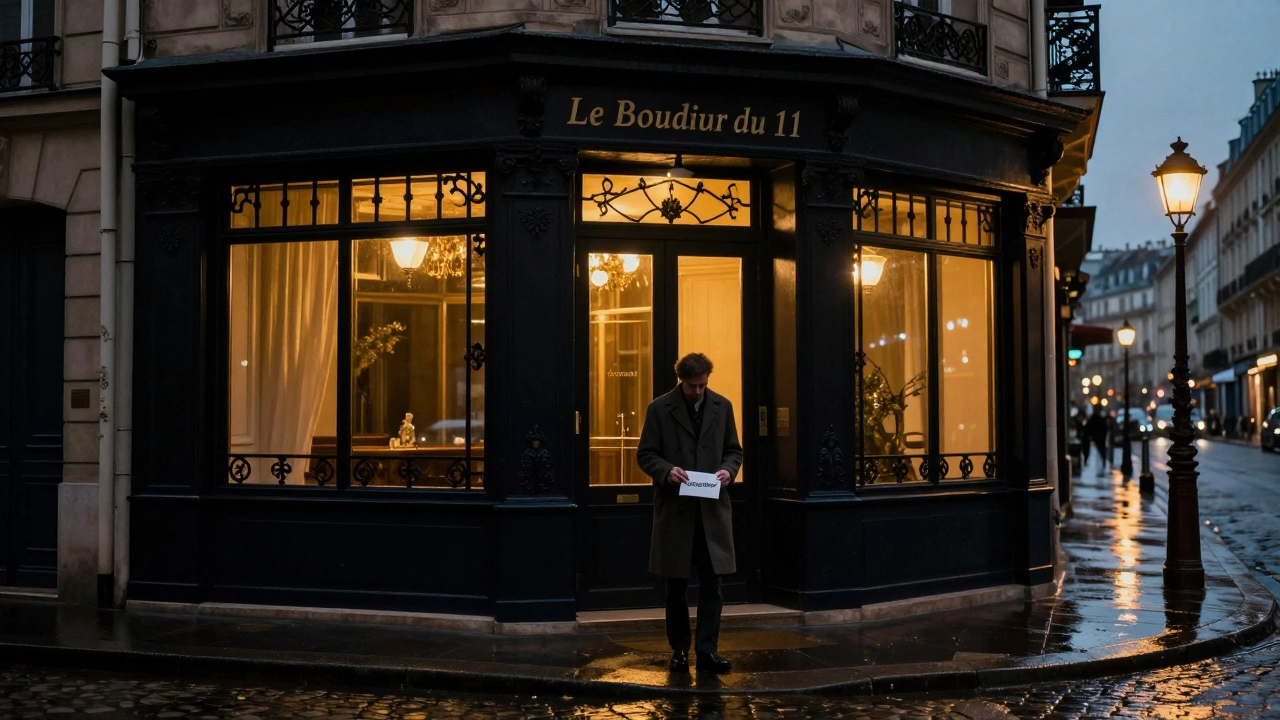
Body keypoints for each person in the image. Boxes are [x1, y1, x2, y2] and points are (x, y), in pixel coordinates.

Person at [637, 352, 743, 675]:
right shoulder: (659, 409)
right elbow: (645, 454)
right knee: (676, 589)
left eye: (702, 385)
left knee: (713, 587)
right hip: (676, 514)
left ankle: (708, 651)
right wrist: (667, 471)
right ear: (681, 380)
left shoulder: (722, 407)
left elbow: (734, 451)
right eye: (691, 386)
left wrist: (727, 471)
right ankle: (680, 651)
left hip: (711, 514)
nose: (697, 391)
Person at [1085, 405, 1109, 477]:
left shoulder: (1094, 419)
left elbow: (1088, 427)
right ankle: (1103, 465)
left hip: (1097, 438)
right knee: (1101, 452)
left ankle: (1102, 466)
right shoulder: (1101, 419)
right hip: (1100, 438)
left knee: (1099, 453)